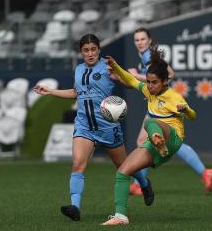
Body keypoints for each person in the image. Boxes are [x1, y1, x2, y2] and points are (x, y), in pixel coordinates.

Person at [34, 34, 151, 222]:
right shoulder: (79, 69)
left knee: (125, 167)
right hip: (84, 126)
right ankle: (75, 207)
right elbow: (76, 92)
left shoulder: (108, 66)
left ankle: (144, 184)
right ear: (81, 52)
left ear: (99, 50)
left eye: (93, 50)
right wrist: (51, 91)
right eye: (86, 50)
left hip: (107, 127)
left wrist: (120, 76)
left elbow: (131, 84)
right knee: (78, 163)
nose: (90, 54)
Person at [102, 47, 197, 225]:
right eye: (148, 82)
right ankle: (121, 216)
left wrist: (187, 110)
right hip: (155, 140)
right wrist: (115, 65)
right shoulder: (148, 91)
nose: (150, 85)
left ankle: (157, 140)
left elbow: (193, 116)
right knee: (123, 172)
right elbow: (130, 79)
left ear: (164, 82)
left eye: (154, 82)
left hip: (173, 138)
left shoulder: (174, 97)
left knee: (148, 123)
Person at [128, 27, 212, 196]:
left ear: (150, 40)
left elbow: (168, 75)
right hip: (162, 102)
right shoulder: (149, 55)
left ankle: (139, 184)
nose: (140, 42)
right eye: (137, 40)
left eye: (142, 39)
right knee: (159, 141)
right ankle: (204, 172)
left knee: (146, 141)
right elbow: (168, 74)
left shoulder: (147, 56)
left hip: (163, 104)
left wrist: (135, 75)